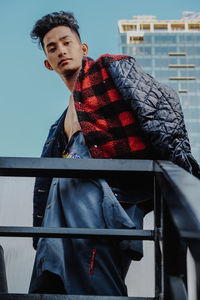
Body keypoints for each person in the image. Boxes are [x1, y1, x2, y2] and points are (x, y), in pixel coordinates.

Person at [29, 11, 200, 296]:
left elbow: (161, 104)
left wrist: (181, 165)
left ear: (82, 48)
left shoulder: (110, 68)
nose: (61, 51)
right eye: (52, 47)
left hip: (108, 196)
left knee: (96, 277)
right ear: (48, 64)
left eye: (66, 42)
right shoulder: (60, 123)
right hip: (63, 211)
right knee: (52, 281)